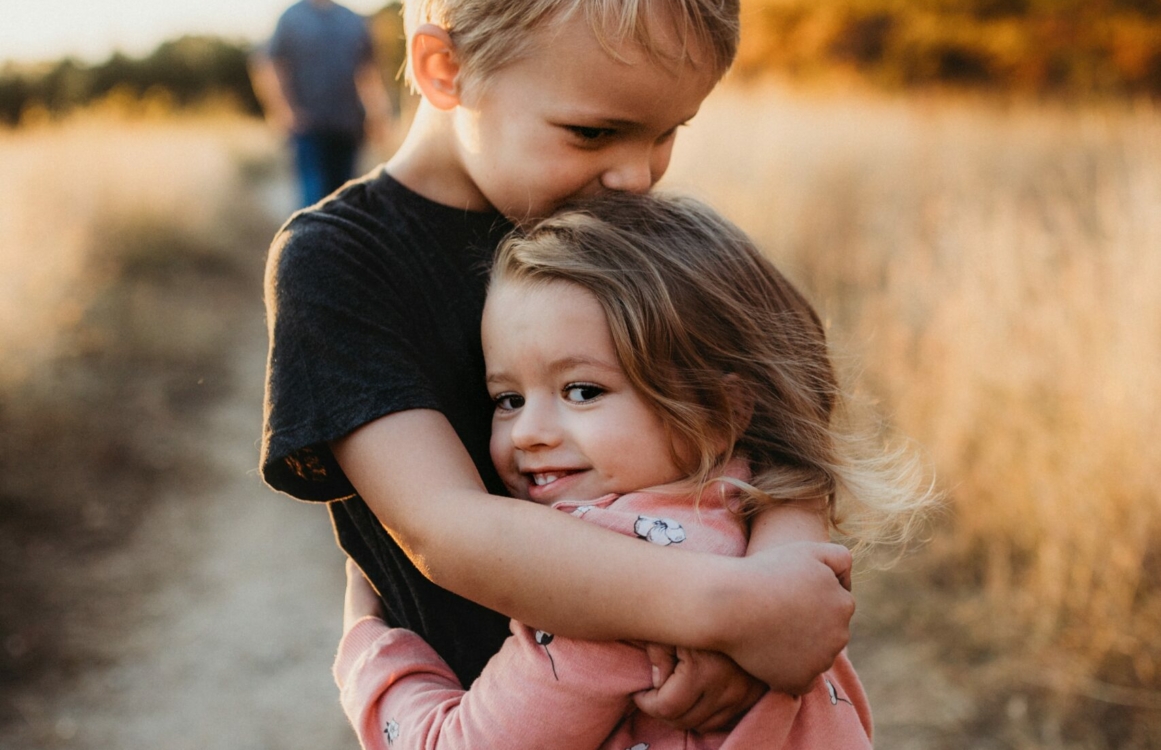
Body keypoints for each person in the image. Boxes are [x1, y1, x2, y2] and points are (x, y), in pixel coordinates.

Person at [261, 0, 856, 730]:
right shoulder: (342, 264)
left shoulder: (621, 230)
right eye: (594, 132)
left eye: (667, 132)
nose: (636, 176)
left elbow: (785, 425)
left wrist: (769, 599)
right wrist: (731, 612)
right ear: (445, 70)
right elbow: (445, 527)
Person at [334, 192, 934, 749]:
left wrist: (369, 646)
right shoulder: (755, 512)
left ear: (722, 410)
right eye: (507, 399)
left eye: (583, 390)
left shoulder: (607, 584)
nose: (528, 432)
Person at [249, 0, 392, 207]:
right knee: (314, 201)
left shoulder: (353, 20)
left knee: (345, 200)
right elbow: (269, 65)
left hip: (348, 126)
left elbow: (368, 72)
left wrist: (378, 115)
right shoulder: (290, 18)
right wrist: (283, 111)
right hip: (308, 128)